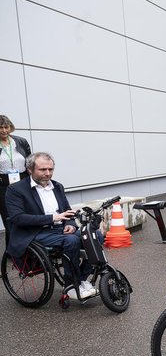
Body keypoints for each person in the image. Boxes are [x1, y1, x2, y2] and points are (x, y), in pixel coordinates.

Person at [6, 152, 101, 299]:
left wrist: (70, 224)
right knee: (71, 241)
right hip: (34, 233)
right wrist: (52, 218)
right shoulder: (15, 190)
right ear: (30, 169)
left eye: (50, 169)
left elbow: (67, 211)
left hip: (58, 230)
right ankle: (70, 285)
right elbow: (18, 218)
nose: (47, 173)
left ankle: (81, 278)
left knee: (95, 235)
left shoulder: (57, 186)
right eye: (42, 170)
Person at [0, 115, 31, 245]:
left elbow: (30, 160)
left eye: (6, 127)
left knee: (27, 212)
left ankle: (29, 246)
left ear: (10, 127)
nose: (3, 130)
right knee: (10, 217)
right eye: (0, 127)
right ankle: (13, 248)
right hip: (4, 184)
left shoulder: (21, 141)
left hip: (23, 180)